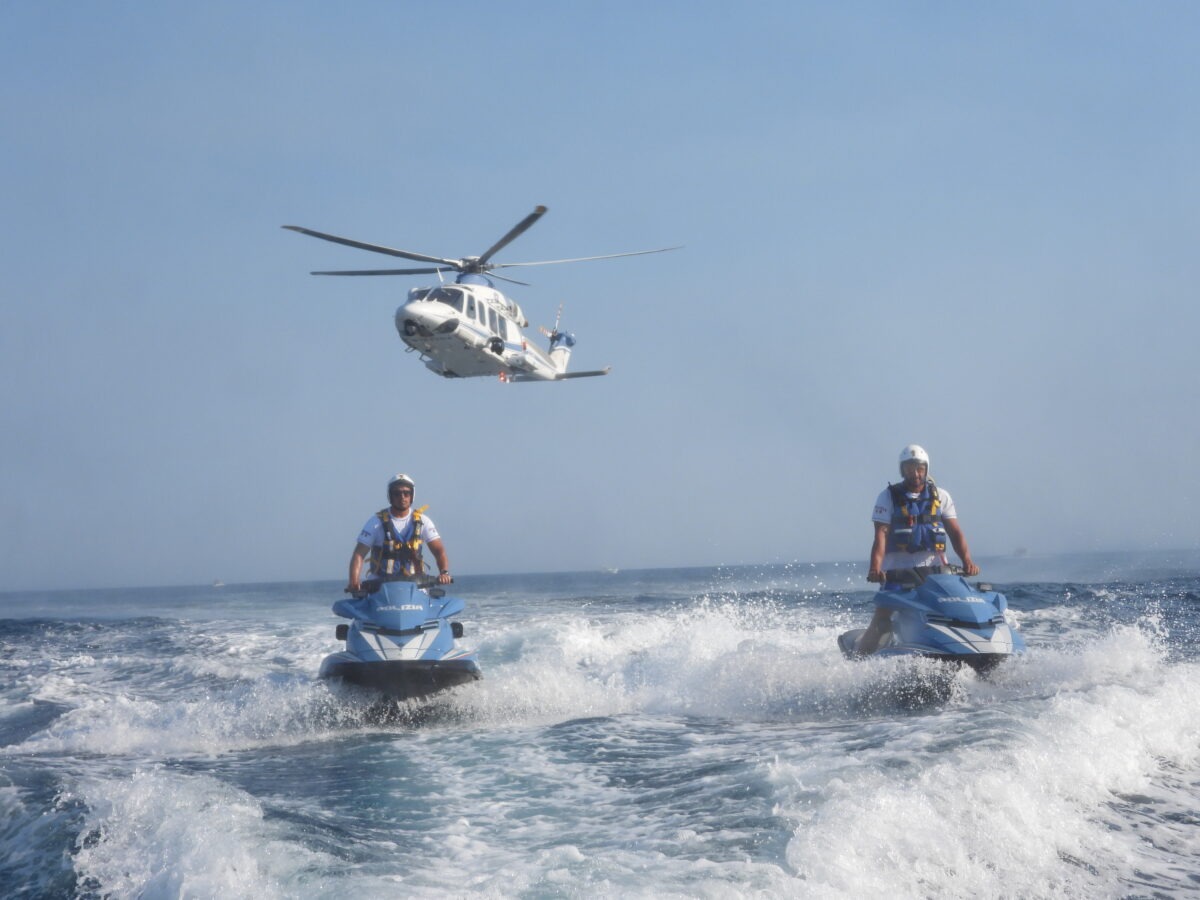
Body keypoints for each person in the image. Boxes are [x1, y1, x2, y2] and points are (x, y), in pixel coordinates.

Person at [858, 444, 979, 654]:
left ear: (926, 468)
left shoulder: (941, 496)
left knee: (949, 613)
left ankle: (959, 651)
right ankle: (859, 663)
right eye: (910, 468)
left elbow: (955, 532)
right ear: (902, 470)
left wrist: (967, 561)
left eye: (920, 468)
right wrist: (875, 569)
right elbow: (881, 535)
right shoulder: (887, 497)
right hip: (896, 572)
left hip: (935, 571)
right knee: (881, 620)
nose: (915, 473)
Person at [346, 473, 452, 593]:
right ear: (390, 496)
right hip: (380, 585)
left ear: (412, 496)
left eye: (406, 493)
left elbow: (439, 551)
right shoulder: (375, 522)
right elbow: (359, 554)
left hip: (416, 585)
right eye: (397, 493)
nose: (402, 497)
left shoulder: (423, 521)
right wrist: (354, 581)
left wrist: (444, 572)